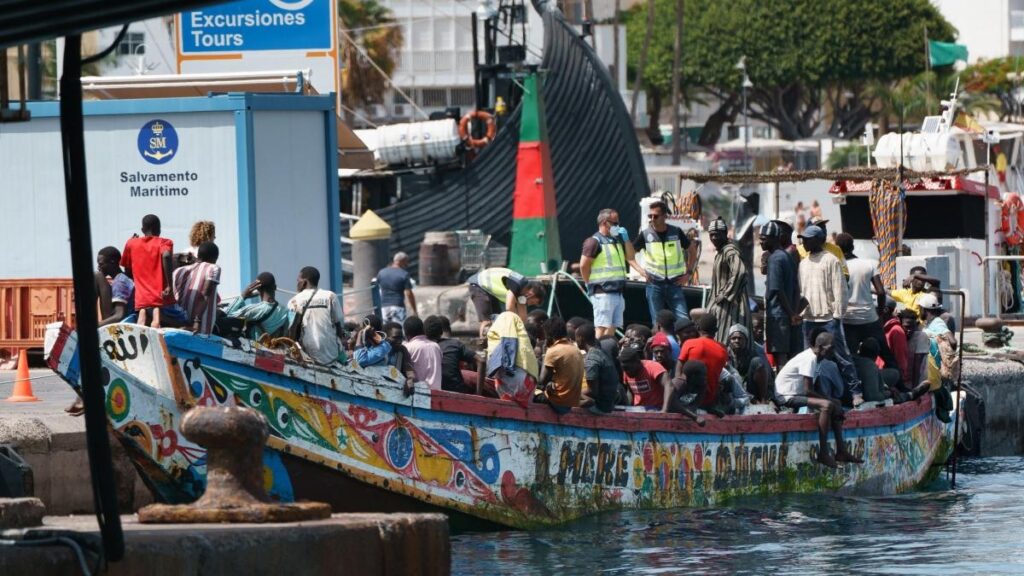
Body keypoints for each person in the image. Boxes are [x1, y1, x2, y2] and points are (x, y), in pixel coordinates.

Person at [774, 331, 864, 468]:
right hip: (786, 396)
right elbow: (808, 390)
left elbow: (813, 389)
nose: (833, 351)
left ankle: (841, 451)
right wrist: (829, 401)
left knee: (836, 403)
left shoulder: (818, 360)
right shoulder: (809, 359)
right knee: (827, 405)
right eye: (831, 348)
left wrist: (834, 402)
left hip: (797, 394)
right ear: (821, 347)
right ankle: (823, 453)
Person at [798, 225, 863, 406]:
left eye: (807, 239)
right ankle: (812, 395)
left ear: (818, 240)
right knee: (809, 359)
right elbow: (801, 292)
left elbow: (840, 290)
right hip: (809, 318)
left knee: (841, 355)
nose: (803, 242)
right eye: (802, 239)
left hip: (829, 317)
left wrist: (837, 316)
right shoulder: (803, 263)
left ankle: (855, 392)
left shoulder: (831, 260)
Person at [580, 208, 646, 339]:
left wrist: (626, 239)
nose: (618, 226)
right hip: (603, 292)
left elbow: (631, 256)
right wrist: (588, 283)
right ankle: (595, 354)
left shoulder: (616, 240)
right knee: (601, 327)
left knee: (613, 326)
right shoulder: (594, 241)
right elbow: (583, 265)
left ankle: (606, 350)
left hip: (618, 291)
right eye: (615, 223)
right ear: (605, 223)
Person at [835, 233, 897, 370]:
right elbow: (881, 292)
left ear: (837, 248)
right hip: (869, 318)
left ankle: (855, 388)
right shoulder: (869, 264)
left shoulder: (837, 267)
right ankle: (900, 385)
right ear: (853, 247)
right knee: (886, 354)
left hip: (848, 319)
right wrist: (880, 314)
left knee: (849, 357)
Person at [634, 201, 692, 324]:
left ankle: (684, 342)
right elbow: (629, 255)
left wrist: (689, 273)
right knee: (657, 322)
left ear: (665, 216)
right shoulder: (645, 234)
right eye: (650, 216)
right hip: (654, 283)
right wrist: (641, 271)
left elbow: (693, 250)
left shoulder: (676, 232)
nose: (652, 219)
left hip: (675, 283)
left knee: (684, 321)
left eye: (655, 216)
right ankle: (661, 343)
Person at [760, 220, 803, 368]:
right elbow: (796, 288)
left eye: (764, 238)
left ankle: (782, 389)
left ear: (774, 239)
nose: (760, 242)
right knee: (790, 357)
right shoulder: (786, 256)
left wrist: (791, 314)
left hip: (778, 316)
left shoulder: (775, 259)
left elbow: (777, 289)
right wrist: (794, 313)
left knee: (781, 358)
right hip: (787, 315)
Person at [121, 214, 174, 328]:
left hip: (141, 294)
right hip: (159, 292)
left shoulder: (131, 243)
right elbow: (166, 256)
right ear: (159, 229)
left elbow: (127, 267)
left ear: (142, 230)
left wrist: (132, 243)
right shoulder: (164, 242)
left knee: (142, 314)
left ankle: (141, 331)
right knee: (156, 313)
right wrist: (169, 284)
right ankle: (156, 327)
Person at [288, 266, 345, 366]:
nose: (297, 283)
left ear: (304, 282)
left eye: (298, 280)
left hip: (308, 357)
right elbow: (338, 326)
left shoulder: (294, 301)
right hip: (332, 356)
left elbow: (291, 332)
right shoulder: (330, 296)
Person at [707, 217, 751, 343]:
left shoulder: (729, 251)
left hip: (731, 306)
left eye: (717, 235)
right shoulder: (721, 252)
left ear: (725, 234)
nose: (714, 238)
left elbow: (740, 271)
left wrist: (725, 294)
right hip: (723, 305)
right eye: (712, 235)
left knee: (726, 339)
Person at [467, 267, 546, 337]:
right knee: (486, 321)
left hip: (490, 291)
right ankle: (483, 343)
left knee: (497, 319)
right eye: (532, 302)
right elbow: (509, 307)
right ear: (530, 294)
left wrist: (525, 332)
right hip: (479, 284)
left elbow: (523, 318)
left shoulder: (523, 294)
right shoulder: (517, 283)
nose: (529, 304)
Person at [677, 314, 730, 413]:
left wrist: (676, 389)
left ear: (698, 328)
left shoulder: (689, 343)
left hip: (686, 398)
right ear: (715, 331)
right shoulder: (723, 351)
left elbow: (678, 368)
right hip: (709, 400)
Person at [536, 317, 584, 413]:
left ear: (549, 334)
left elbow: (542, 380)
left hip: (557, 402)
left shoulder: (554, 350)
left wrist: (544, 354)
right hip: (571, 402)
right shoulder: (576, 349)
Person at [172, 241, 221, 336]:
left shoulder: (178, 271)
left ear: (198, 255)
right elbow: (204, 295)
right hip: (200, 328)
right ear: (215, 259)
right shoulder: (213, 268)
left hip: (179, 325)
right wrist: (197, 321)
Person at [225, 271, 289, 340]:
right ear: (275, 287)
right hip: (274, 348)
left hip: (256, 347)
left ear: (258, 289)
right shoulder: (284, 311)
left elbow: (228, 315)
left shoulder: (256, 310)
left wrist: (243, 296)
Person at [725, 324, 774, 404]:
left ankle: (763, 400)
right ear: (729, 340)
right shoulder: (725, 354)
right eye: (734, 338)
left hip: (749, 389)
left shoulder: (752, 354)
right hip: (731, 390)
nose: (737, 341)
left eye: (740, 338)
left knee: (758, 362)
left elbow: (767, 374)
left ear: (746, 341)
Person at [434, 316, 477, 393]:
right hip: (457, 389)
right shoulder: (455, 344)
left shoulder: (430, 346)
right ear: (449, 329)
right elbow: (480, 360)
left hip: (436, 388)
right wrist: (479, 392)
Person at [619, 345, 670, 409]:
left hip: (656, 408)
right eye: (624, 369)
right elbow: (630, 391)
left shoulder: (653, 367)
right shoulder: (626, 371)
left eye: (628, 368)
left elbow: (669, 386)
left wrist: (664, 410)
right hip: (638, 409)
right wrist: (628, 408)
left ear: (637, 362)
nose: (627, 372)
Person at [96, 246, 134, 326]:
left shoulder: (120, 281)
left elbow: (119, 315)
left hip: (121, 324)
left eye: (101, 264)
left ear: (112, 262)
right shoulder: (122, 278)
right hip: (123, 319)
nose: (99, 267)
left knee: (97, 276)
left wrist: (96, 326)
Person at [662, 360, 708, 425]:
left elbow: (697, 403)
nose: (705, 378)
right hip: (668, 417)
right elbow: (672, 405)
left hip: (685, 415)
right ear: (693, 376)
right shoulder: (679, 383)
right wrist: (694, 417)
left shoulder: (701, 385)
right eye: (703, 375)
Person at [377, 252, 418, 324]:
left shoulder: (381, 272)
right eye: (406, 262)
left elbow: (377, 289)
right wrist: (414, 310)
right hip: (398, 307)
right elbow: (409, 293)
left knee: (385, 331)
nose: (407, 264)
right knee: (398, 331)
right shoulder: (404, 274)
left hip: (383, 307)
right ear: (401, 261)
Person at [878, 298, 910, 391]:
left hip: (891, 381)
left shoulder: (896, 330)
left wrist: (898, 382)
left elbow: (901, 359)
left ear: (885, 310)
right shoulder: (882, 328)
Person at [405, 316, 443, 392]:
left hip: (419, 395)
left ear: (406, 334)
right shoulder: (436, 346)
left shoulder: (407, 347)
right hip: (437, 394)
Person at [384, 321, 416, 392]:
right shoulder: (377, 350)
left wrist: (410, 379)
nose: (399, 341)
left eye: (401, 338)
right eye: (395, 337)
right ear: (385, 337)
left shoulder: (402, 350)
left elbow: (409, 370)